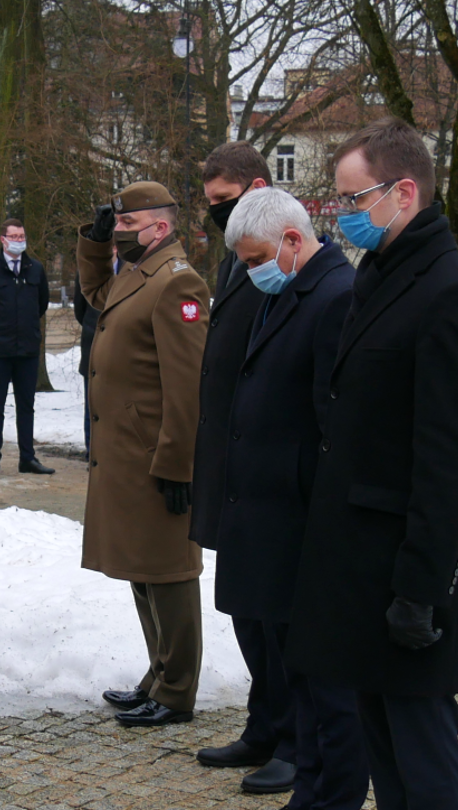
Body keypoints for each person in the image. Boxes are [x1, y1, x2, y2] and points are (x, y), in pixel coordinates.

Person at [284, 118, 458, 810]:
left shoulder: (450, 294)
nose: (342, 214)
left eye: (354, 199)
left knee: (423, 757)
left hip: (405, 574)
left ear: (404, 192)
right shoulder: (379, 277)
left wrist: (421, 589)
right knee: (385, 754)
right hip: (359, 570)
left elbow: (451, 460)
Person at [199, 186, 368, 808]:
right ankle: (276, 736)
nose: (250, 272)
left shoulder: (333, 295)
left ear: (292, 241)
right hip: (265, 502)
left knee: (305, 661)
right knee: (269, 640)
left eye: (254, 259)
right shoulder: (294, 287)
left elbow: (332, 421)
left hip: (296, 511)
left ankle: (304, 758)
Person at [76, 181, 210, 728]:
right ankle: (158, 674)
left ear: (159, 227)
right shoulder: (137, 274)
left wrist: (179, 464)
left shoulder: (180, 282)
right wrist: (96, 239)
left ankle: (177, 690)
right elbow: (94, 294)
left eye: (129, 226)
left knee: (171, 572)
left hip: (158, 456)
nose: (121, 234)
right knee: (142, 568)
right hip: (129, 454)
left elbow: (188, 385)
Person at [184, 143, 287, 790]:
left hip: (269, 463)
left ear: (253, 187)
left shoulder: (280, 259)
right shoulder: (234, 260)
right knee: (245, 607)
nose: (215, 216)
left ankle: (296, 739)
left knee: (275, 615)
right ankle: (264, 725)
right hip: (230, 458)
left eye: (223, 203)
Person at [0, 218, 54, 476]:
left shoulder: (35, 270)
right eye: (13, 236)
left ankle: (28, 458)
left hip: (27, 350)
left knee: (26, 406)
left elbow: (42, 303)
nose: (18, 241)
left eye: (21, 236)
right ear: (3, 240)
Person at [72, 275, 99, 453]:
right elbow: (80, 310)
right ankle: (93, 452)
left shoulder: (130, 268)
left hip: (121, 349)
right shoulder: (86, 272)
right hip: (92, 346)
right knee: (92, 405)